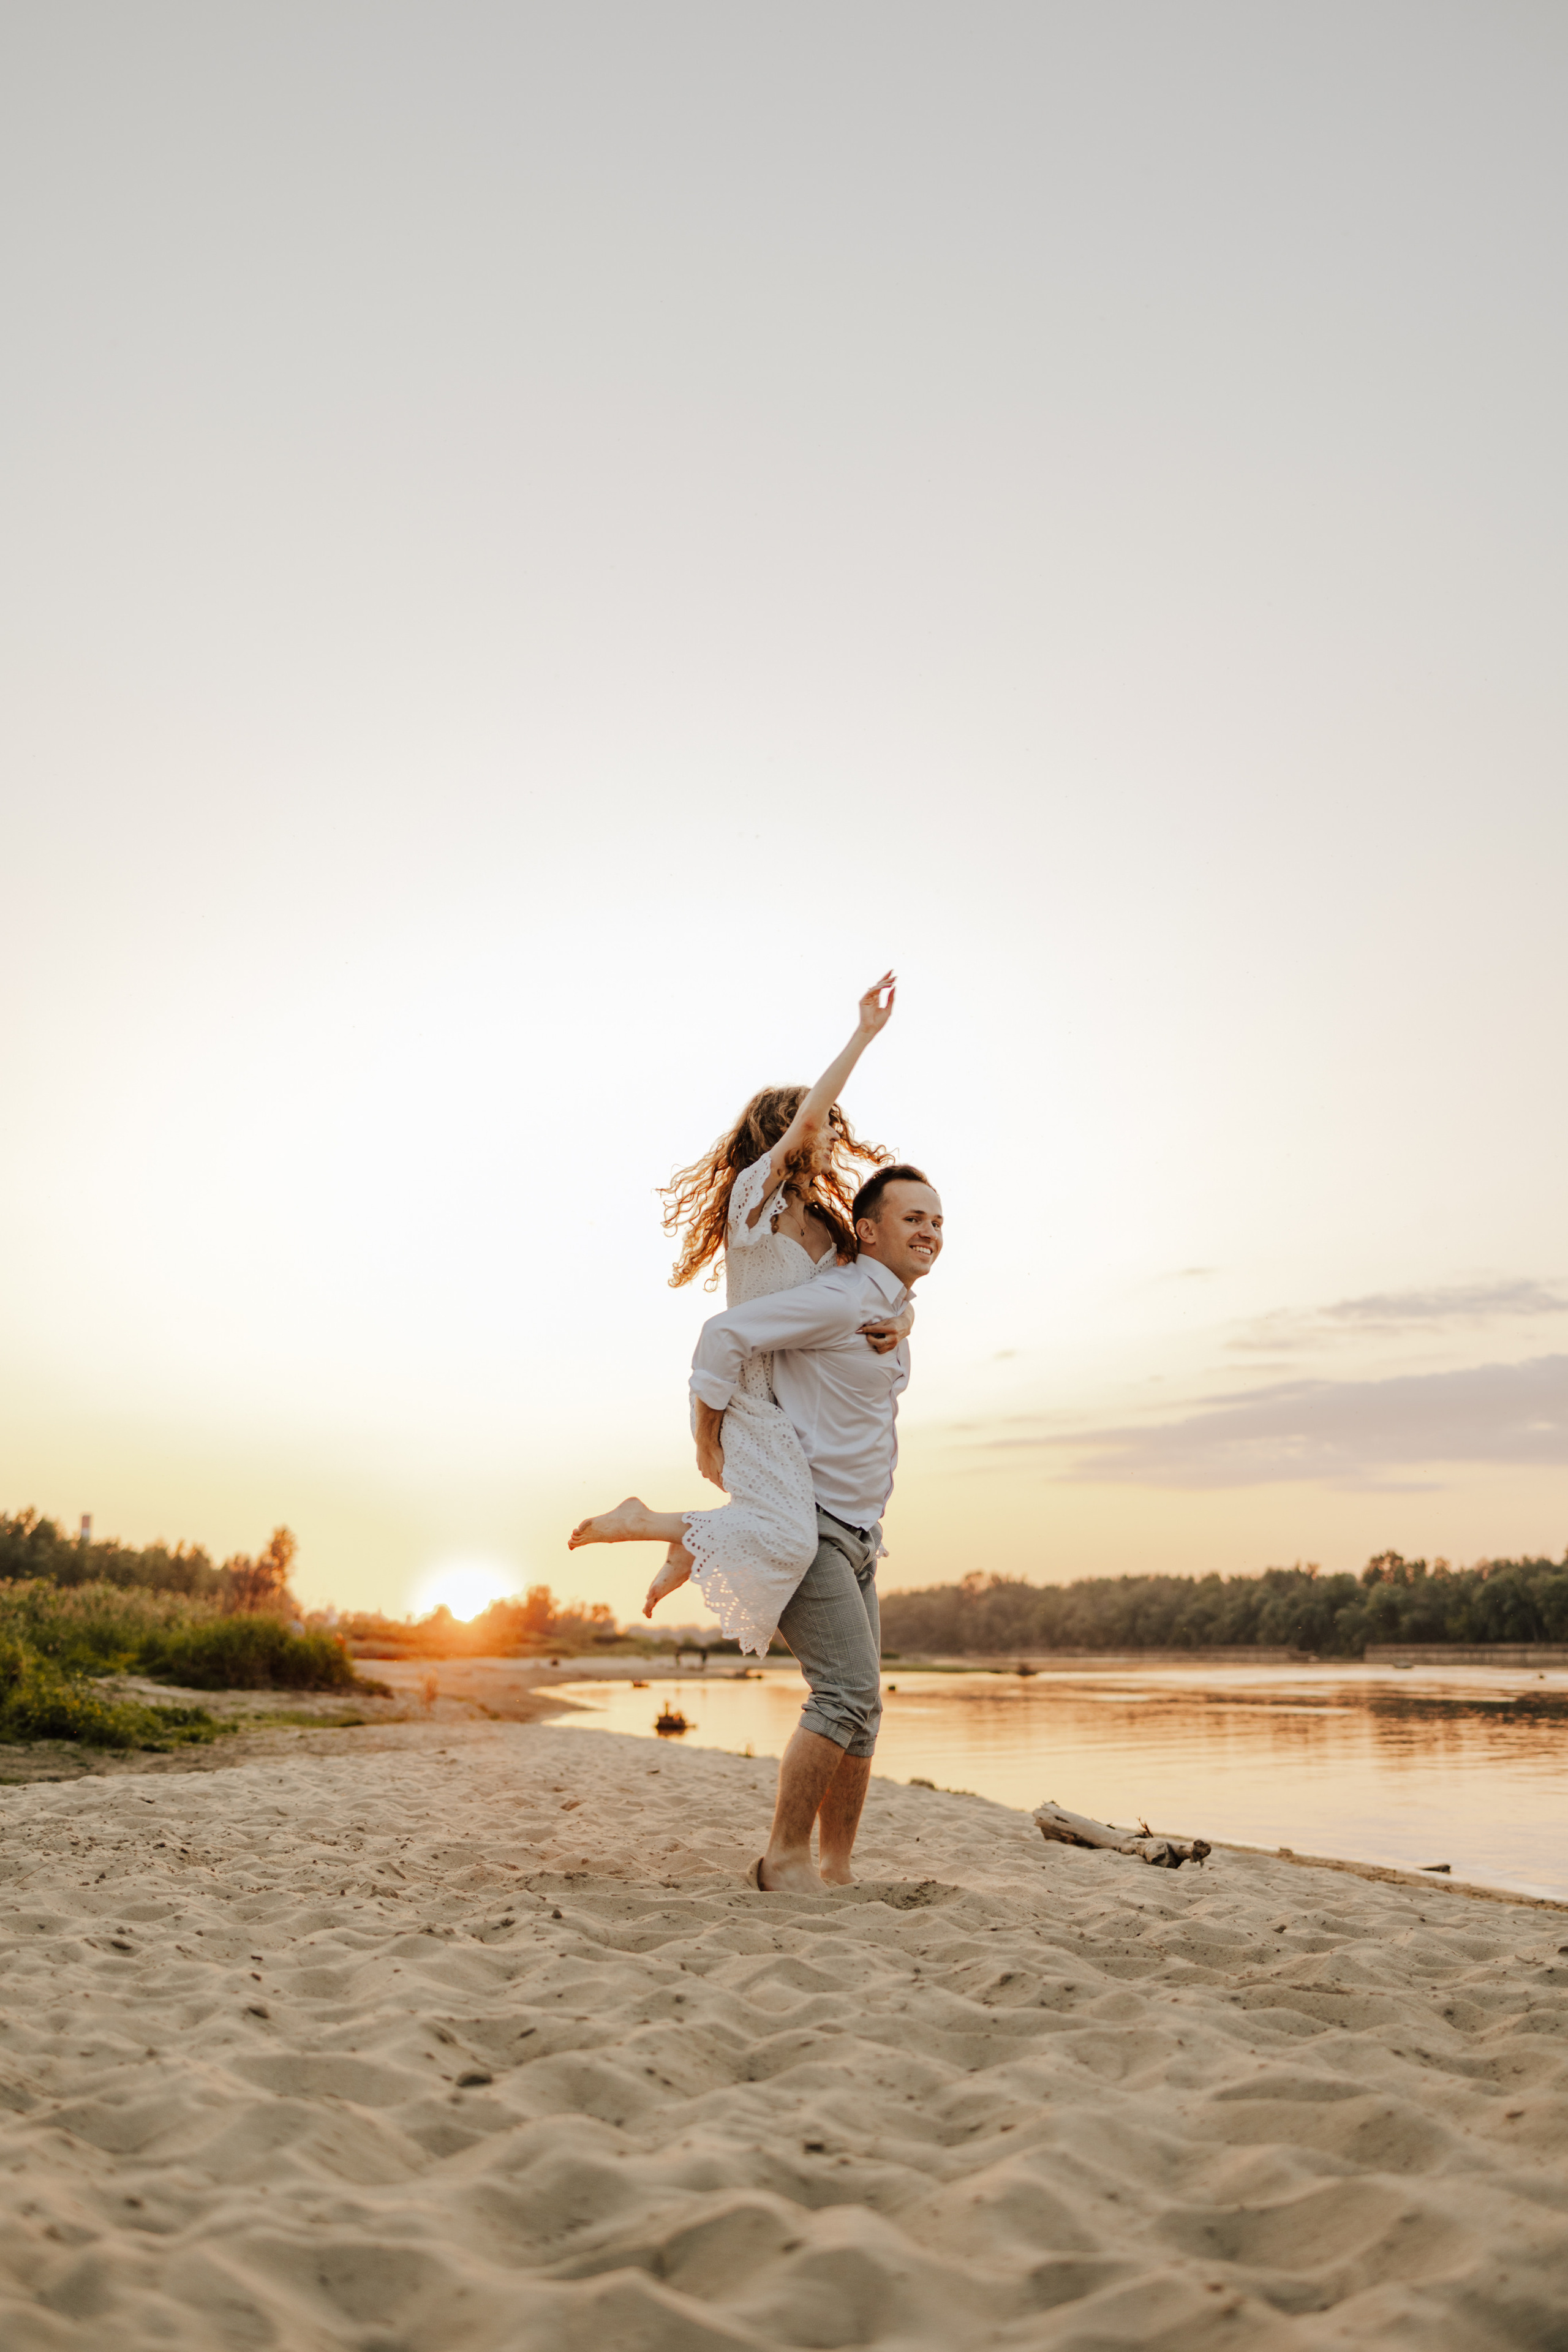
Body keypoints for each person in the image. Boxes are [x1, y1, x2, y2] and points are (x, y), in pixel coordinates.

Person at [568, 976, 909, 1656]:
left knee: (782, 1524)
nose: (825, 1140)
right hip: (741, 1393)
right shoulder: (754, 1204)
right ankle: (646, 1521)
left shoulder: (831, 1228)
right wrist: (864, 1034)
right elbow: (808, 1121)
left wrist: (901, 1326)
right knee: (788, 1535)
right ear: (780, 1135)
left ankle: (687, 1549)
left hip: (792, 1403)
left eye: (831, 1131)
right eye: (815, 1127)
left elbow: (871, 1299)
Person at [688, 1165, 944, 1889]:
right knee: (844, 1692)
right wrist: (706, 1437)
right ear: (867, 1231)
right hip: (815, 1526)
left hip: (864, 1534)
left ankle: (836, 1867)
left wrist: (908, 1317)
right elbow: (724, 1333)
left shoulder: (885, 1304)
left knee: (863, 1711)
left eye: (937, 1222)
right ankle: (782, 1860)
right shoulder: (838, 1298)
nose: (929, 1232)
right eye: (912, 1218)